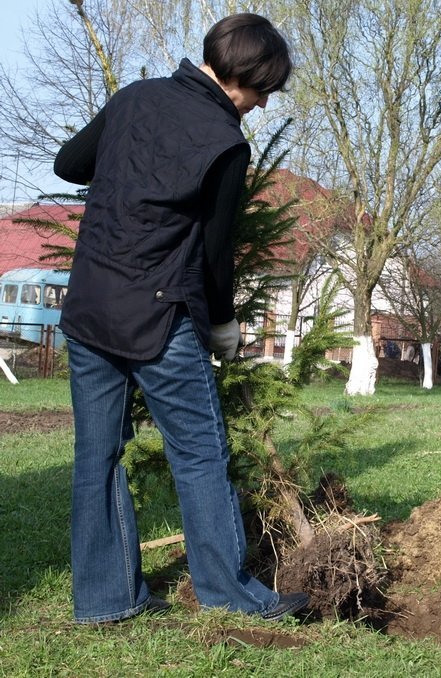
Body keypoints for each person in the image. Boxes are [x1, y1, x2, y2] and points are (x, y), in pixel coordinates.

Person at [53, 13, 308, 624]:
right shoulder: (225, 141)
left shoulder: (135, 97)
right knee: (198, 453)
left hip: (90, 305)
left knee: (97, 456)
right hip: (159, 317)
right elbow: (215, 253)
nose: (263, 104)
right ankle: (229, 594)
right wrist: (223, 324)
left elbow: (68, 164)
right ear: (243, 78)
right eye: (264, 91)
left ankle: (106, 600)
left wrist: (127, 165)